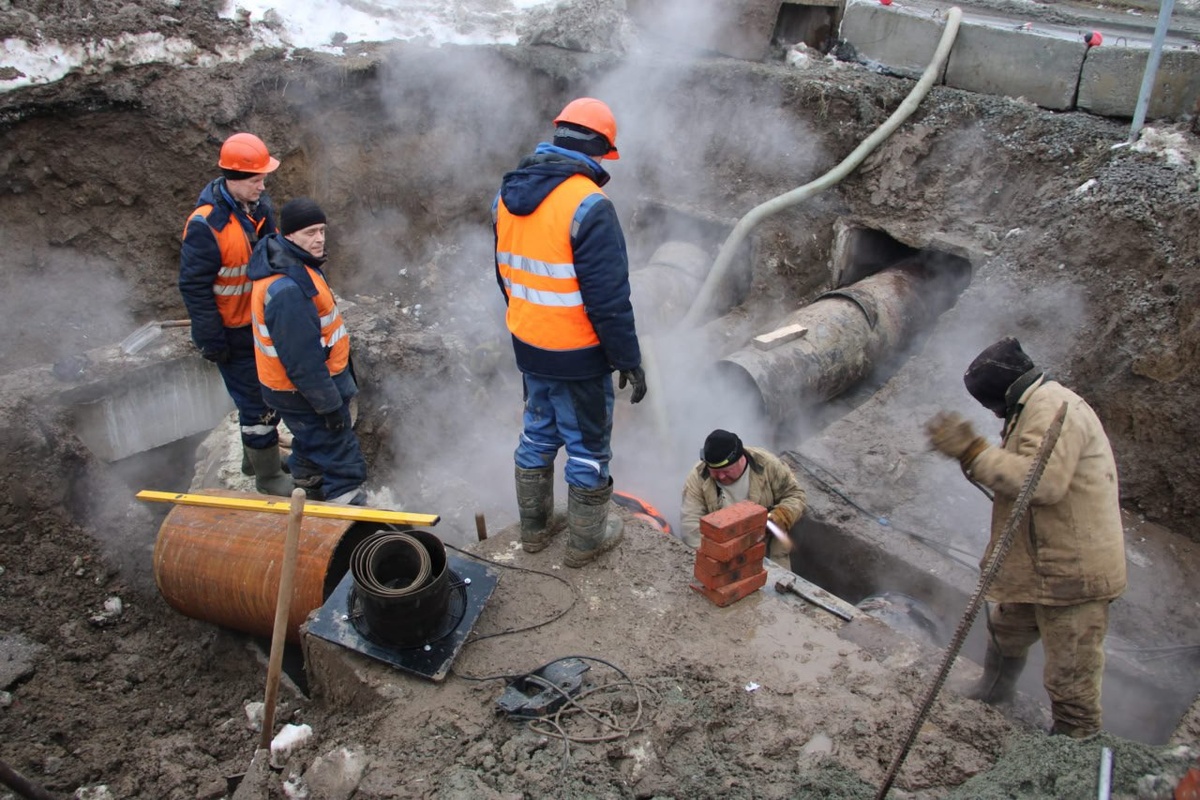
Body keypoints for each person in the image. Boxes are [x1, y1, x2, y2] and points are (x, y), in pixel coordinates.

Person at [925, 336, 1126, 739]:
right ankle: (994, 690)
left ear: (1002, 395)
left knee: (1070, 671)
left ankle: (1073, 741)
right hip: (1040, 564)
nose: (992, 414)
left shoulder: (1051, 407)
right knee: (1006, 630)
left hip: (1071, 573)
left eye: (990, 406)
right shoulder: (1034, 405)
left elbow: (1043, 483)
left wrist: (975, 452)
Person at [493, 97, 646, 568]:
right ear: (600, 150)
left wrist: (528, 324)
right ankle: (585, 543)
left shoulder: (507, 195)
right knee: (588, 448)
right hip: (578, 354)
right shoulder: (589, 204)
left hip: (529, 344)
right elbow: (608, 299)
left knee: (537, 434)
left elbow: (505, 274)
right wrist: (627, 359)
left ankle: (535, 531)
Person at [179, 132, 291, 496]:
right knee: (256, 404)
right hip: (232, 331)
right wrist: (211, 337)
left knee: (268, 394)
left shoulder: (259, 209)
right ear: (234, 178)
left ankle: (254, 459)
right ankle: (267, 476)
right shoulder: (206, 225)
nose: (263, 186)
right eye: (256, 179)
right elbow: (194, 287)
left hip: (260, 324)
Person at [248, 198, 367, 506]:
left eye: (322, 230)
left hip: (294, 389)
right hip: (302, 392)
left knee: (312, 443)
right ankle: (350, 515)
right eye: (310, 232)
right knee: (341, 458)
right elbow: (303, 362)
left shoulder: (294, 264)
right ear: (288, 234)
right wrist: (328, 406)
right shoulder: (288, 289)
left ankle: (307, 489)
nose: (319, 239)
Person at [680, 429, 807, 561]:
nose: (721, 476)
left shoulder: (766, 464)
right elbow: (690, 524)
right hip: (722, 558)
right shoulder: (698, 476)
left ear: (741, 458)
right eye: (715, 472)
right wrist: (716, 557)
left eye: (726, 471)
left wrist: (782, 515)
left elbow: (795, 495)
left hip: (769, 552)